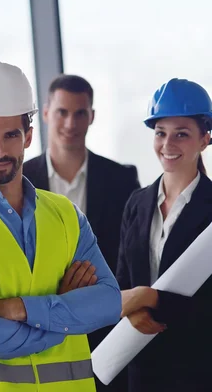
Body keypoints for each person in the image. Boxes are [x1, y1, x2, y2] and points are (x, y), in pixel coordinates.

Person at [0, 62, 122, 391]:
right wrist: (63, 315)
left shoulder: (66, 216)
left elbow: (108, 303)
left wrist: (17, 308)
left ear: (28, 136)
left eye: (11, 135)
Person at [22, 74, 139, 391]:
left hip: (106, 330)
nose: (70, 123)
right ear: (46, 113)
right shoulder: (18, 180)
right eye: (62, 112)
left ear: (92, 117)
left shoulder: (122, 179)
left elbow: (131, 256)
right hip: (39, 326)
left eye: (80, 113)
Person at [116, 78, 212, 391]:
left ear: (205, 139)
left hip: (197, 371)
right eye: (161, 133)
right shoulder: (137, 203)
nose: (167, 145)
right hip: (142, 369)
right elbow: (121, 284)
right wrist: (129, 311)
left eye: (181, 134)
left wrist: (151, 299)